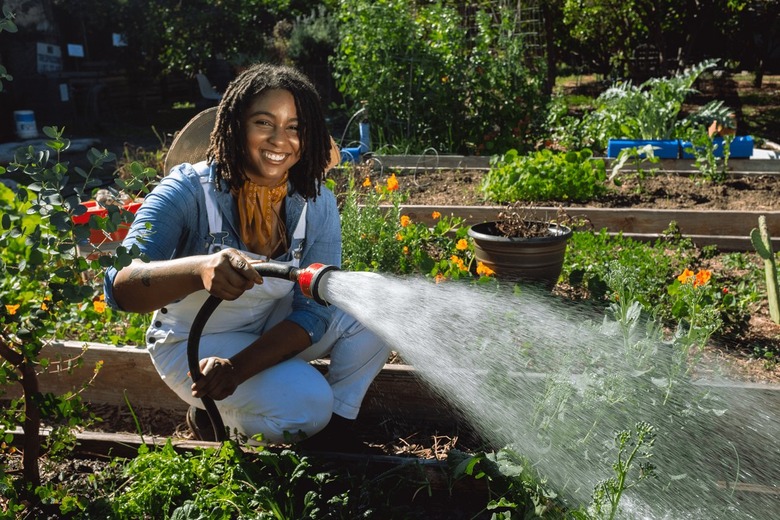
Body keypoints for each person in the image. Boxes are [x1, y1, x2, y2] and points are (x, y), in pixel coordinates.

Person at [103, 63, 390, 450]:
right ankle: (213, 414)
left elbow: (315, 311)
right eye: (263, 122)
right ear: (236, 126)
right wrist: (198, 269)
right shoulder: (189, 191)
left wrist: (239, 369)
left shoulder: (315, 200)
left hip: (261, 332)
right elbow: (119, 287)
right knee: (307, 405)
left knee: (371, 299)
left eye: (294, 127)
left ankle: (335, 426)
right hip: (193, 344)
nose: (280, 140)